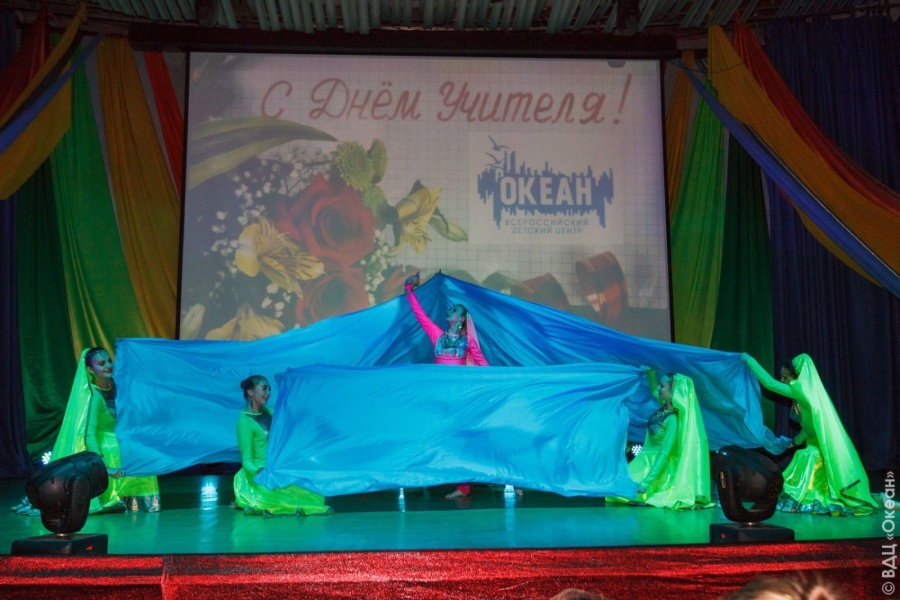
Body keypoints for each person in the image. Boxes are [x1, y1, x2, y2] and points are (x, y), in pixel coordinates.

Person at [405, 272, 520, 500]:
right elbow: (420, 314)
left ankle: (511, 479)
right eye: (451, 310)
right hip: (439, 398)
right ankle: (436, 481)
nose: (450, 311)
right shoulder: (437, 335)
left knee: (472, 439)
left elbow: (483, 364)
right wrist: (409, 290)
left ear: (461, 319)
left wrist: (500, 381)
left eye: (455, 310)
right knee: (436, 437)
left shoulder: (467, 342)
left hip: (460, 398)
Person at [741, 353, 879, 516]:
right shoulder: (806, 393)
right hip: (814, 443)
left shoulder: (802, 391)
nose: (782, 380)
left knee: (806, 456)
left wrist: (750, 360)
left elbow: (769, 384)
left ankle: (814, 496)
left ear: (797, 377)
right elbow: (810, 426)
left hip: (822, 449)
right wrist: (795, 442)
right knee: (805, 455)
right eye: (782, 377)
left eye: (785, 377)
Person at [52, 347, 160, 513]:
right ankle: (116, 496)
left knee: (142, 449)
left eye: (109, 361)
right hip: (106, 446)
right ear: (90, 370)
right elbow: (89, 434)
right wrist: (103, 467)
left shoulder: (120, 387)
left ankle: (138, 499)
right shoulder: (94, 396)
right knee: (117, 449)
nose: (108, 366)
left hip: (125, 440)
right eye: (101, 364)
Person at [609, 370, 714, 509]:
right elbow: (654, 390)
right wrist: (650, 372)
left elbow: (664, 453)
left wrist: (646, 483)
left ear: (673, 390)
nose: (658, 388)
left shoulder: (673, 419)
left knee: (628, 492)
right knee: (615, 488)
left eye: (662, 386)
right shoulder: (665, 408)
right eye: (659, 385)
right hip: (644, 461)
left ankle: (650, 493)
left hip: (660, 468)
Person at [232, 375, 332, 516]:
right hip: (258, 474)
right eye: (264, 389)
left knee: (310, 491)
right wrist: (260, 471)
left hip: (277, 468)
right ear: (250, 392)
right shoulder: (244, 422)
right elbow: (247, 461)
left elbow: (291, 424)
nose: (268, 393)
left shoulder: (271, 413)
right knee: (272, 495)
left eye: (269, 389)